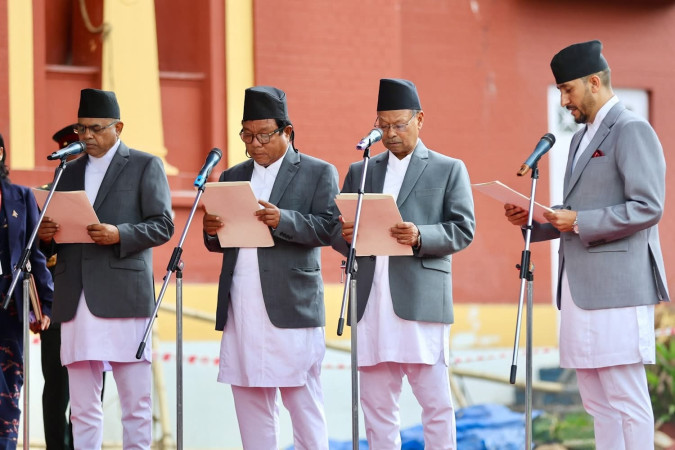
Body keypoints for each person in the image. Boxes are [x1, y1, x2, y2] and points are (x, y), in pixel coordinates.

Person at [504, 40, 670, 449]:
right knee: (596, 402)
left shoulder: (632, 129)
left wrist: (578, 220)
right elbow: (579, 211)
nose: (563, 101)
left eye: (568, 89)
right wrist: (536, 223)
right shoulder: (579, 139)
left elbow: (648, 207)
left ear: (594, 82)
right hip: (579, 289)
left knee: (626, 398)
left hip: (618, 288)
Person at [333, 78, 475, 448]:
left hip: (420, 298)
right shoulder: (361, 171)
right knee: (377, 405)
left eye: (398, 124)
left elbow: (463, 230)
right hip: (370, 300)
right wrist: (345, 234)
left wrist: (419, 235)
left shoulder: (448, 168)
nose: (390, 133)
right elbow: (337, 231)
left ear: (419, 120)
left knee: (435, 403)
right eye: (383, 125)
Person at [38, 89, 174, 450]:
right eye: (81, 128)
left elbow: (163, 225)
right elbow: (53, 239)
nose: (86, 136)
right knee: (82, 407)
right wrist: (47, 235)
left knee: (136, 403)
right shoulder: (67, 171)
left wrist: (119, 234)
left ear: (118, 128)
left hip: (124, 296)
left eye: (95, 128)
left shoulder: (145, 165)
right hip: (75, 297)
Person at [202, 86, 338, 449]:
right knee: (249, 398)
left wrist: (283, 220)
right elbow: (217, 241)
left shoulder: (317, 172)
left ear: (287, 132)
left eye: (264, 135)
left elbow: (330, 228)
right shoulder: (232, 176)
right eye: (247, 135)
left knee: (302, 401)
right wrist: (211, 230)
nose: (255, 144)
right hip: (242, 303)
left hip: (291, 304)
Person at [0, 133, 53, 449]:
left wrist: (45, 304)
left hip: (9, 300)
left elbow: (36, 256)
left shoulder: (20, 197)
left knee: (8, 384)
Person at [39, 124, 79, 450]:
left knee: (91, 388)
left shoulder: (102, 195)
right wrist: (45, 238)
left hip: (95, 303)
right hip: (57, 304)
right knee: (56, 387)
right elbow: (33, 255)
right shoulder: (45, 195)